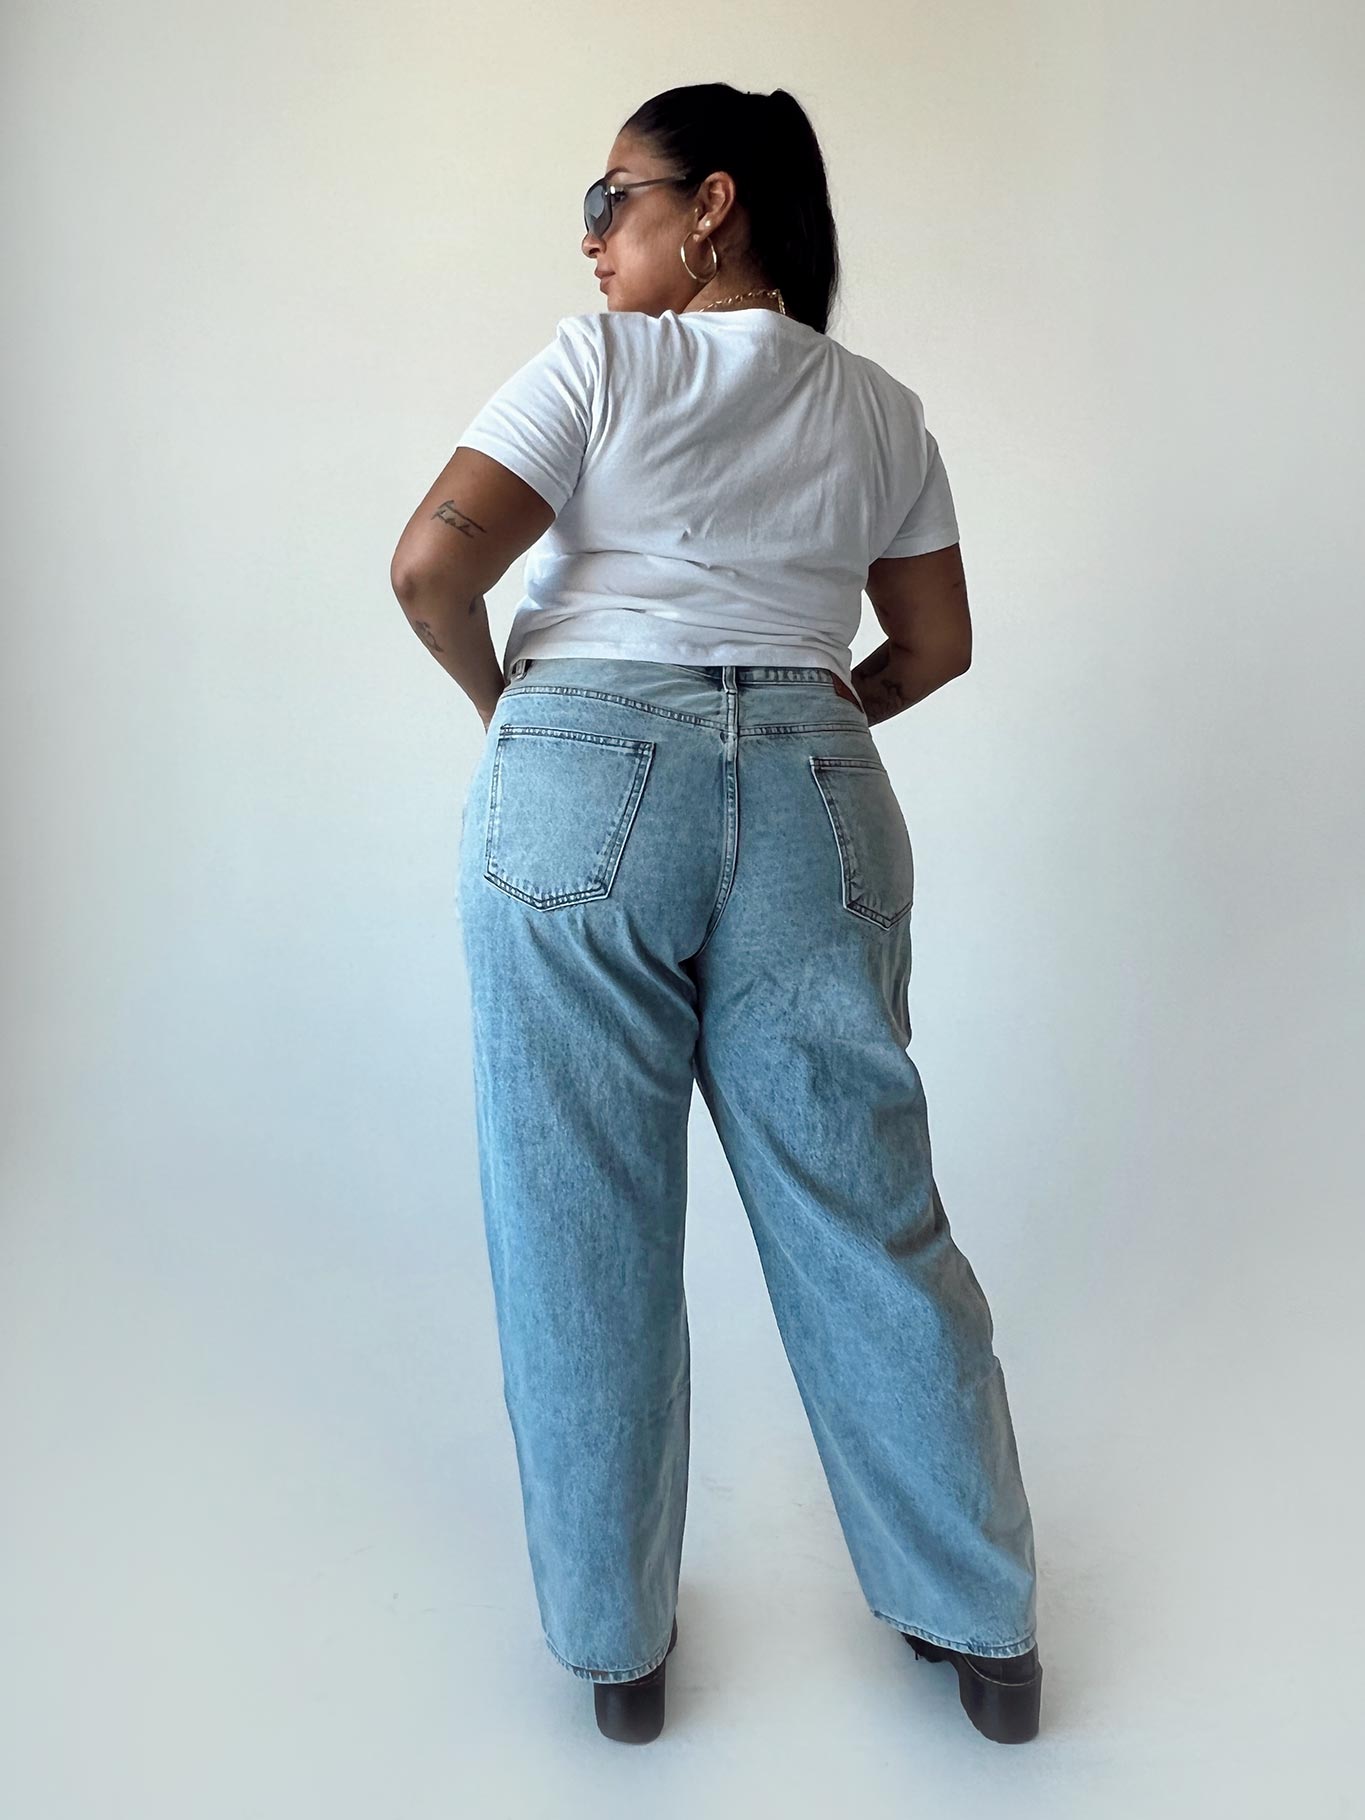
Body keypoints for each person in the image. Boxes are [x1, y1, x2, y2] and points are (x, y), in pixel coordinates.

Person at [389, 82, 1042, 1747]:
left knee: (577, 1221)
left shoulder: (600, 364)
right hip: (822, 792)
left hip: (579, 775)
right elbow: (937, 645)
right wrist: (806, 724)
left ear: (714, 204)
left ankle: (617, 1653)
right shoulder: (881, 410)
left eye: (610, 196)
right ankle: (983, 1627)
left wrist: (517, 718)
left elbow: (429, 570)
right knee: (867, 1213)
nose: (589, 237)